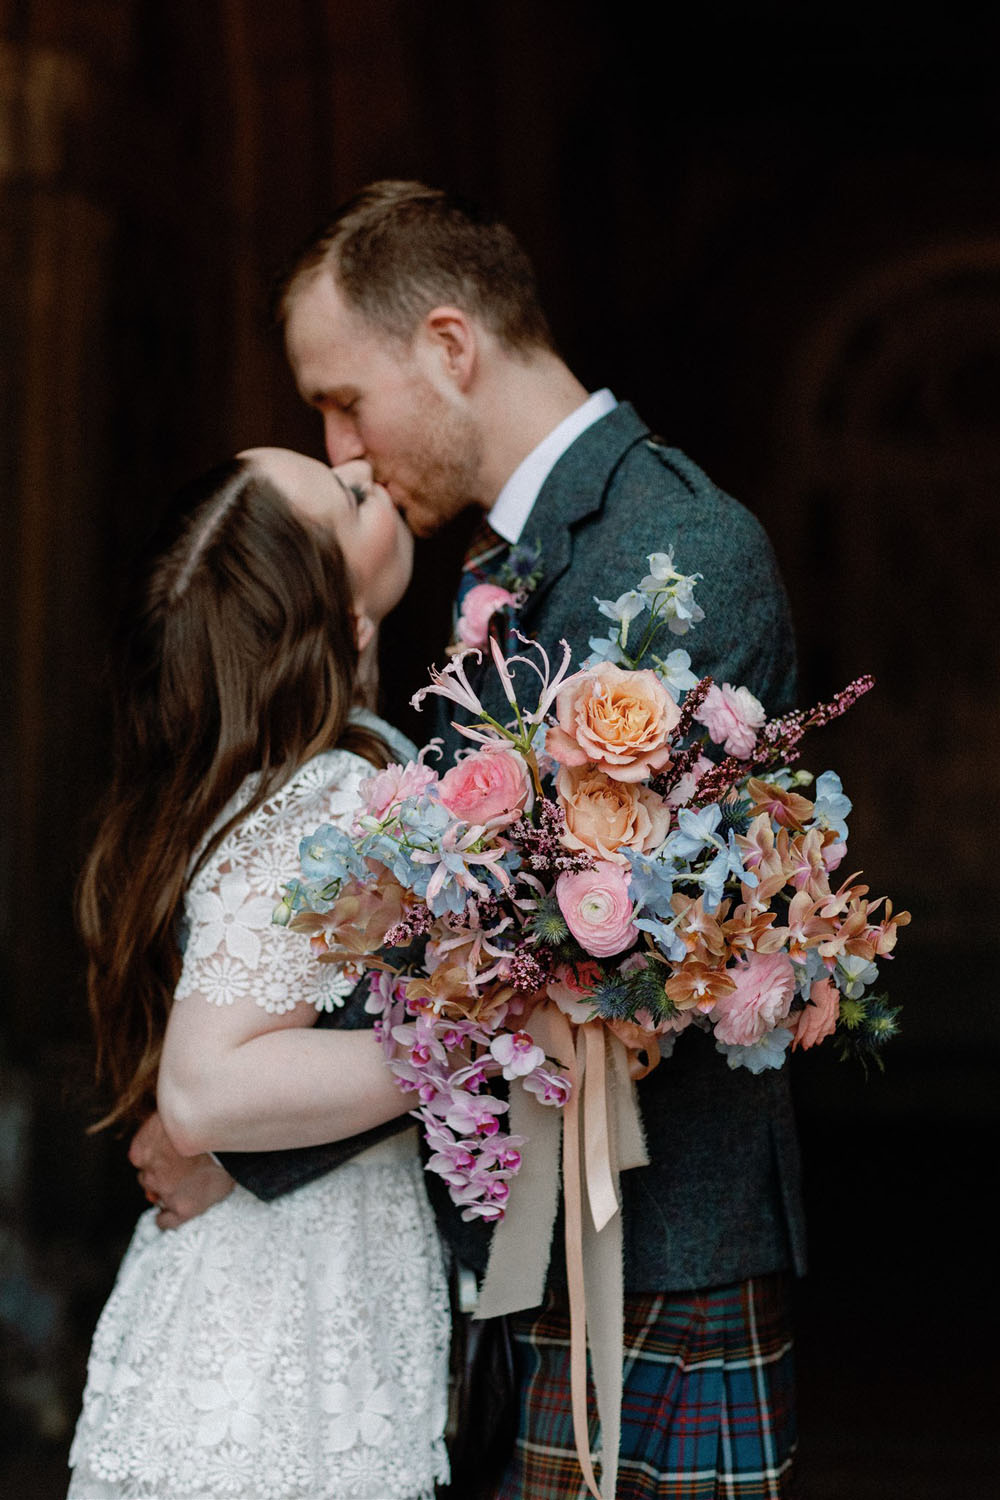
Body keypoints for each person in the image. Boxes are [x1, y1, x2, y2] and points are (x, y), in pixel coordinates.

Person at [134, 181, 805, 1499]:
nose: (344, 445)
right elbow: (419, 917)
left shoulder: (683, 550)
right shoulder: (503, 562)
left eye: (342, 399)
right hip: (501, 1250)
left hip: (650, 1256)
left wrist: (236, 1121)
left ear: (449, 346)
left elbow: (579, 949)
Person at [69, 448, 451, 1500]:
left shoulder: (295, 774)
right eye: (355, 499)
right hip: (282, 1327)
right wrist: (471, 1045)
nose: (365, 463)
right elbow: (203, 1089)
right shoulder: (323, 795)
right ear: (335, 611)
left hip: (294, 1295)